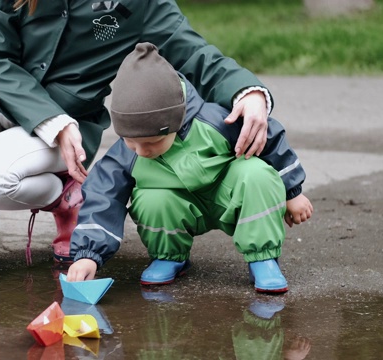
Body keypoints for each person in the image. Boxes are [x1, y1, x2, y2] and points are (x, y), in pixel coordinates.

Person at [0, 0, 275, 284]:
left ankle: (66, 197)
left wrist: (248, 91)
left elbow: (192, 51)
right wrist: (46, 119)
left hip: (68, 130)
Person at [66, 43, 313, 294]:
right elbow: (102, 194)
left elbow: (269, 137)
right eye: (131, 142)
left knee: (257, 174)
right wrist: (89, 253)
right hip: (179, 207)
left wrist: (292, 191)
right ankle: (170, 255)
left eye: (152, 142)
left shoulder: (215, 121)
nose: (142, 151)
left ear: (175, 121)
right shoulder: (126, 153)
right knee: (151, 197)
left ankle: (263, 258)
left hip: (229, 196)